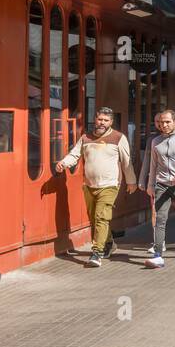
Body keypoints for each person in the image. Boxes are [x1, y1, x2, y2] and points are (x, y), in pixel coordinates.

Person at [57, 107, 139, 267]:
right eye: (100, 119)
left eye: (106, 120)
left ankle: (97, 253)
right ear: (95, 119)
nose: (102, 123)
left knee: (101, 217)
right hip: (89, 185)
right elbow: (75, 154)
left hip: (110, 185)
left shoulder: (118, 138)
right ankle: (109, 244)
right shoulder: (86, 138)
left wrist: (131, 181)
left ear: (111, 122)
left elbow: (126, 161)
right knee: (95, 218)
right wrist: (63, 163)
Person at [139, 109, 175, 268]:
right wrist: (150, 185)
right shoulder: (155, 141)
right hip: (161, 185)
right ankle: (158, 255)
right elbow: (153, 165)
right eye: (162, 122)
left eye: (167, 122)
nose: (164, 125)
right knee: (160, 220)